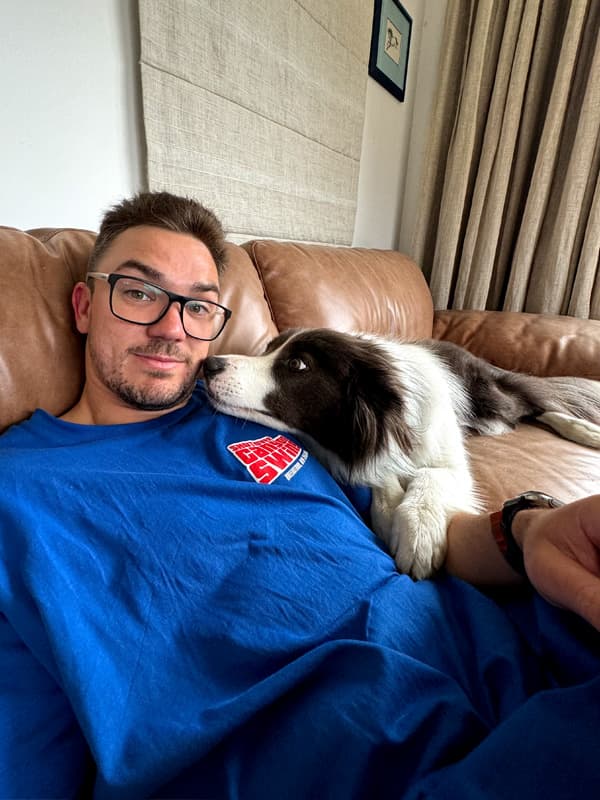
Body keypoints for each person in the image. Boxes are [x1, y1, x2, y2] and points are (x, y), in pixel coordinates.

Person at [0, 191, 599, 800]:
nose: (170, 328)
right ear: (83, 306)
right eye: (138, 293)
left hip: (524, 652)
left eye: (199, 308)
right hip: (362, 763)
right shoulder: (18, 489)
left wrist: (527, 532)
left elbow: (420, 528)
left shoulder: (255, 413)